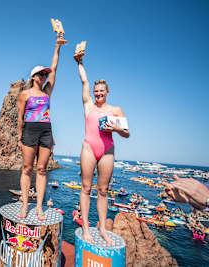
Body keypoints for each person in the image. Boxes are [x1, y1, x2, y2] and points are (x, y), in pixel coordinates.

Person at [74, 50, 130, 245]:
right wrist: (79, 63)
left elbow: (127, 133)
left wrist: (116, 127)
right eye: (96, 91)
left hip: (107, 150)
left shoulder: (116, 110)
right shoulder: (88, 105)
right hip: (89, 147)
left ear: (107, 92)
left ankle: (103, 229)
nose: (98, 93)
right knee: (86, 187)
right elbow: (84, 82)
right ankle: (87, 227)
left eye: (101, 91)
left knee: (103, 190)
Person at [16, 37, 63, 221]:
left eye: (45, 75)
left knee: (42, 169)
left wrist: (57, 47)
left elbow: (55, 69)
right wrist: (20, 137)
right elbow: (20, 117)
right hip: (29, 131)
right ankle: (25, 205)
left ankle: (39, 207)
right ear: (34, 77)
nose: (44, 77)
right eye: (41, 75)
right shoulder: (24, 94)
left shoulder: (47, 92)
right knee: (27, 169)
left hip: (46, 131)